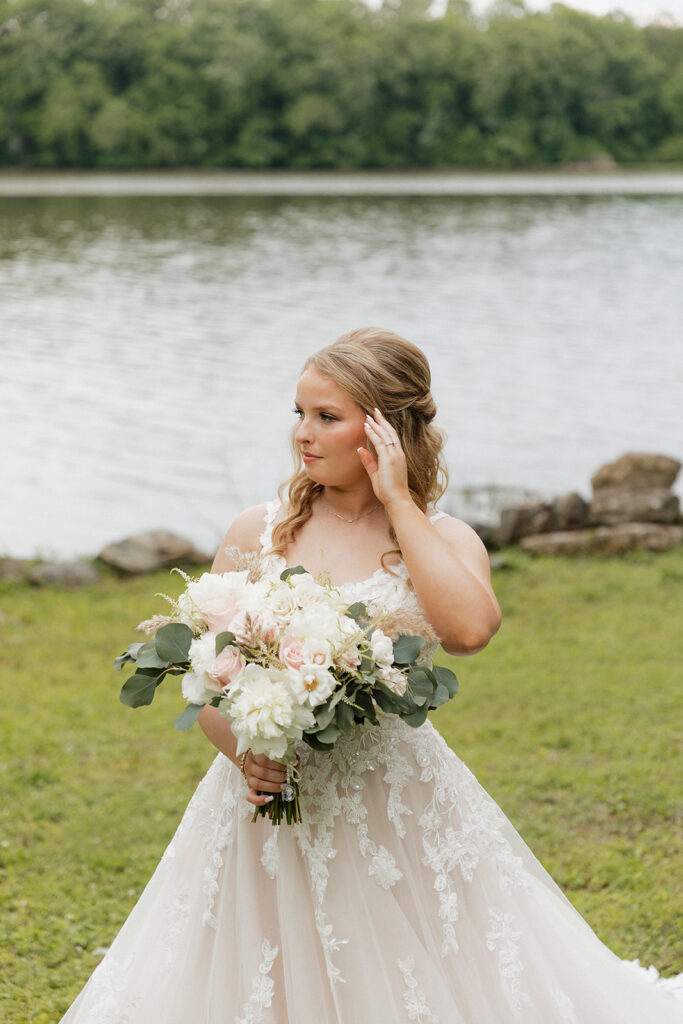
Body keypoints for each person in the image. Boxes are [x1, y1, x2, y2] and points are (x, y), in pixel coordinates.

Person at [60, 327, 682, 1023]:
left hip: (392, 798)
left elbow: (469, 631)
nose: (303, 433)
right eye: (298, 412)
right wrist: (241, 751)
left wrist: (398, 502)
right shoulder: (259, 531)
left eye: (326, 416)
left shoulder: (441, 538)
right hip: (261, 800)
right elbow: (208, 669)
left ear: (386, 429)